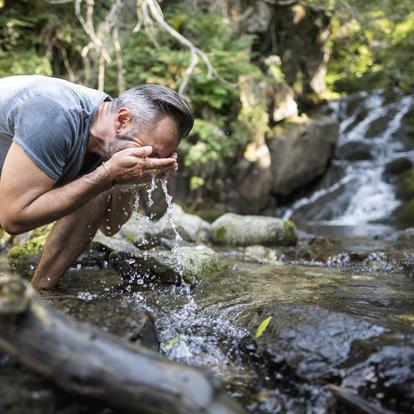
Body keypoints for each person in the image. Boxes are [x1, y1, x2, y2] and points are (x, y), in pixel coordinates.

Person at [0, 75, 194, 288]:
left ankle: (41, 290)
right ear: (122, 121)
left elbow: (111, 225)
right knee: (100, 178)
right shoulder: (55, 115)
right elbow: (13, 220)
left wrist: (127, 179)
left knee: (98, 184)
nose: (150, 162)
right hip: (11, 202)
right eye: (150, 152)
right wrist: (107, 174)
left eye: (160, 158)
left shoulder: (110, 139)